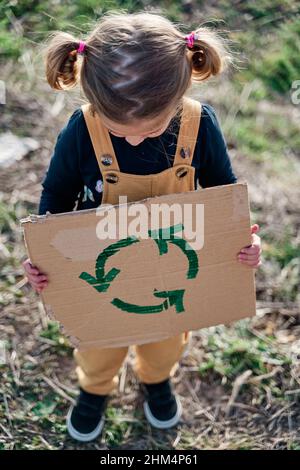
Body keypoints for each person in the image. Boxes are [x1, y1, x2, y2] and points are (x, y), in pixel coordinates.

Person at [22, 11, 261, 442]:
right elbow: (56, 196)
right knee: (98, 343)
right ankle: (94, 389)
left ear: (176, 100)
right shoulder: (81, 129)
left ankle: (156, 379)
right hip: (101, 273)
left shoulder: (200, 124)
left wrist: (242, 244)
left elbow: (225, 196)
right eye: (119, 130)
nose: (133, 140)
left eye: (151, 129)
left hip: (174, 270)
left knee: (166, 338)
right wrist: (44, 254)